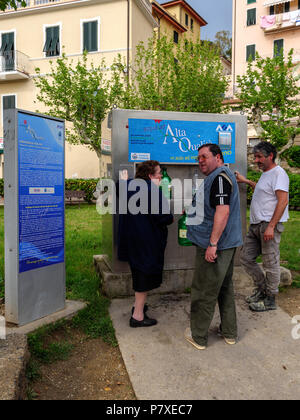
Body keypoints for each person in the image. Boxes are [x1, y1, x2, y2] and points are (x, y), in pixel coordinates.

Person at [186, 144, 243, 350]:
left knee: (204, 290)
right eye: (197, 157)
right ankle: (229, 332)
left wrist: (212, 244)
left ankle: (198, 336)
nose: (199, 160)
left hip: (216, 245)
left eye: (204, 156)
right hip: (225, 243)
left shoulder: (219, 177)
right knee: (224, 288)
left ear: (218, 157)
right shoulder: (221, 176)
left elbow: (223, 212)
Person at [117, 160, 173, 328]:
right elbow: (165, 218)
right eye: (159, 174)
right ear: (150, 176)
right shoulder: (152, 191)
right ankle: (138, 316)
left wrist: (124, 180)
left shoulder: (128, 187)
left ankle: (138, 306)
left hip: (131, 242)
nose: (161, 177)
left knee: (139, 273)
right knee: (144, 277)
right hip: (147, 242)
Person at [235, 141, 289, 312]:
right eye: (254, 157)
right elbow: (264, 190)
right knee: (245, 258)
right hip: (256, 225)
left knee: (270, 263)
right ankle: (262, 289)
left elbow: (283, 200)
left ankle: (270, 299)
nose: (256, 160)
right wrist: (246, 181)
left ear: (270, 156)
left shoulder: (279, 173)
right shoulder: (266, 173)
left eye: (259, 157)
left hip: (268, 225)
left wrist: (271, 226)